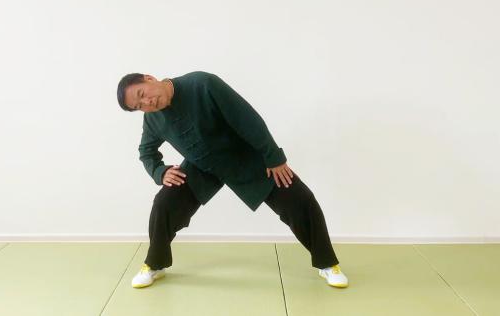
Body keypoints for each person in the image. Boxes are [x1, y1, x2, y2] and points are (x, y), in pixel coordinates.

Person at [117, 71, 348, 289]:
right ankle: (155, 264)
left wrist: (273, 157)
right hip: (202, 167)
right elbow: (146, 152)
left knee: (300, 200)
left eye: (142, 94)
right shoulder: (152, 120)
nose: (147, 103)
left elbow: (247, 119)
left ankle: (327, 263)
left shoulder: (202, 84)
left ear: (149, 78)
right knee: (164, 203)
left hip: (244, 157)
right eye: (139, 106)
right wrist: (160, 172)